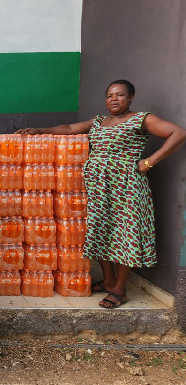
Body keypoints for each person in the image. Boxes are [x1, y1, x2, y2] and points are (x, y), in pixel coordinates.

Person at [16, 79, 186, 309]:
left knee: (125, 235)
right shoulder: (98, 121)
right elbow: (68, 129)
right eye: (109, 95)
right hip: (99, 188)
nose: (114, 99)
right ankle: (108, 280)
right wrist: (39, 130)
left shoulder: (141, 119)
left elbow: (178, 133)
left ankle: (120, 289)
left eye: (120, 95)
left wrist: (149, 162)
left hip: (127, 188)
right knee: (100, 230)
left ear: (131, 98)